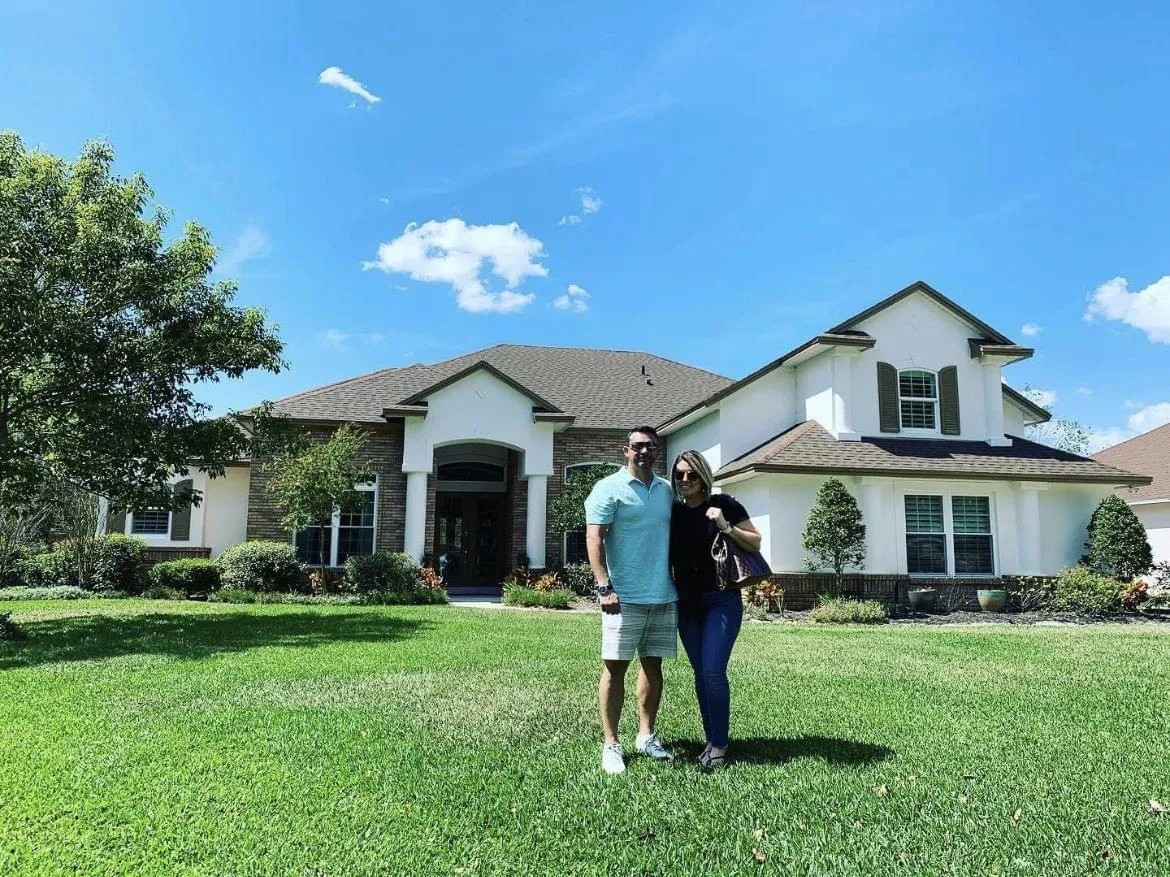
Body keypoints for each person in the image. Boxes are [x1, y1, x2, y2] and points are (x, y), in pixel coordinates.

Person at [584, 426, 678, 774]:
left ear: (657, 452)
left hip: (663, 594)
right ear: (626, 451)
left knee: (653, 667)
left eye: (650, 447)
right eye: (637, 446)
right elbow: (594, 537)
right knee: (614, 668)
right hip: (622, 597)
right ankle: (610, 744)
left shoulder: (668, 491)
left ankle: (646, 736)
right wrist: (603, 586)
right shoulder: (608, 488)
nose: (643, 451)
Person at [669, 449, 761, 770]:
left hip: (721, 601)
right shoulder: (675, 513)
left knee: (713, 670)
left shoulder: (725, 505)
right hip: (687, 604)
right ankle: (711, 739)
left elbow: (755, 542)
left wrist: (725, 526)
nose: (685, 480)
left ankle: (720, 746)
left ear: (703, 475)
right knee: (700, 673)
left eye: (691, 474)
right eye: (679, 474)